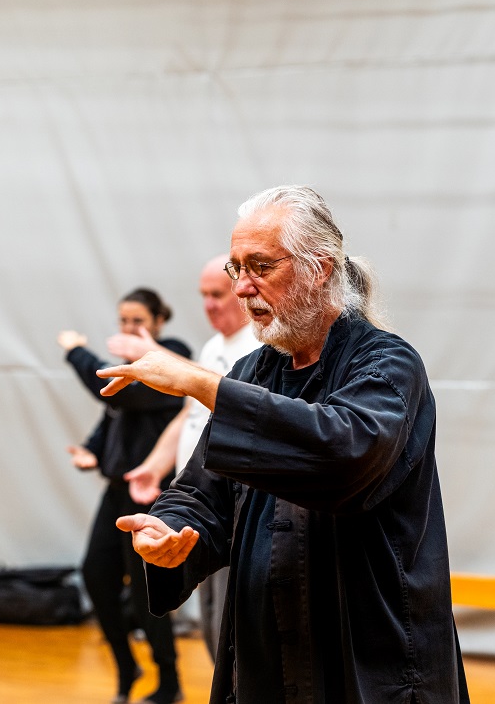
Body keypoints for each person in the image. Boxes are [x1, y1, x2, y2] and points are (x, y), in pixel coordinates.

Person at [104, 186, 469, 703]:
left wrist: (201, 384)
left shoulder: (388, 364)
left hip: (370, 655)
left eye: (260, 266)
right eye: (236, 269)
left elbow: (342, 454)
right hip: (264, 654)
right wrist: (168, 533)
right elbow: (205, 493)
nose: (242, 288)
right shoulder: (253, 371)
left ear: (319, 268)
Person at [107, 254, 260, 660]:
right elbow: (190, 418)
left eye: (218, 294)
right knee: (211, 625)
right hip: (200, 505)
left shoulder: (260, 347)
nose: (210, 304)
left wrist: (161, 356)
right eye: (203, 295)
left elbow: (244, 410)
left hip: (233, 506)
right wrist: (155, 466)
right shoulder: (213, 347)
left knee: (235, 633)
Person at [58, 288, 191, 704]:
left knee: (146, 593)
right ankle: (125, 665)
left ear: (157, 322)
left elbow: (128, 394)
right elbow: (113, 414)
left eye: (138, 320)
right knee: (95, 577)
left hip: (150, 497)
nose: (130, 328)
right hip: (116, 492)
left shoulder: (171, 356)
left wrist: (77, 352)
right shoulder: (129, 367)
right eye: (123, 321)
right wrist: (91, 450)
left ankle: (168, 682)